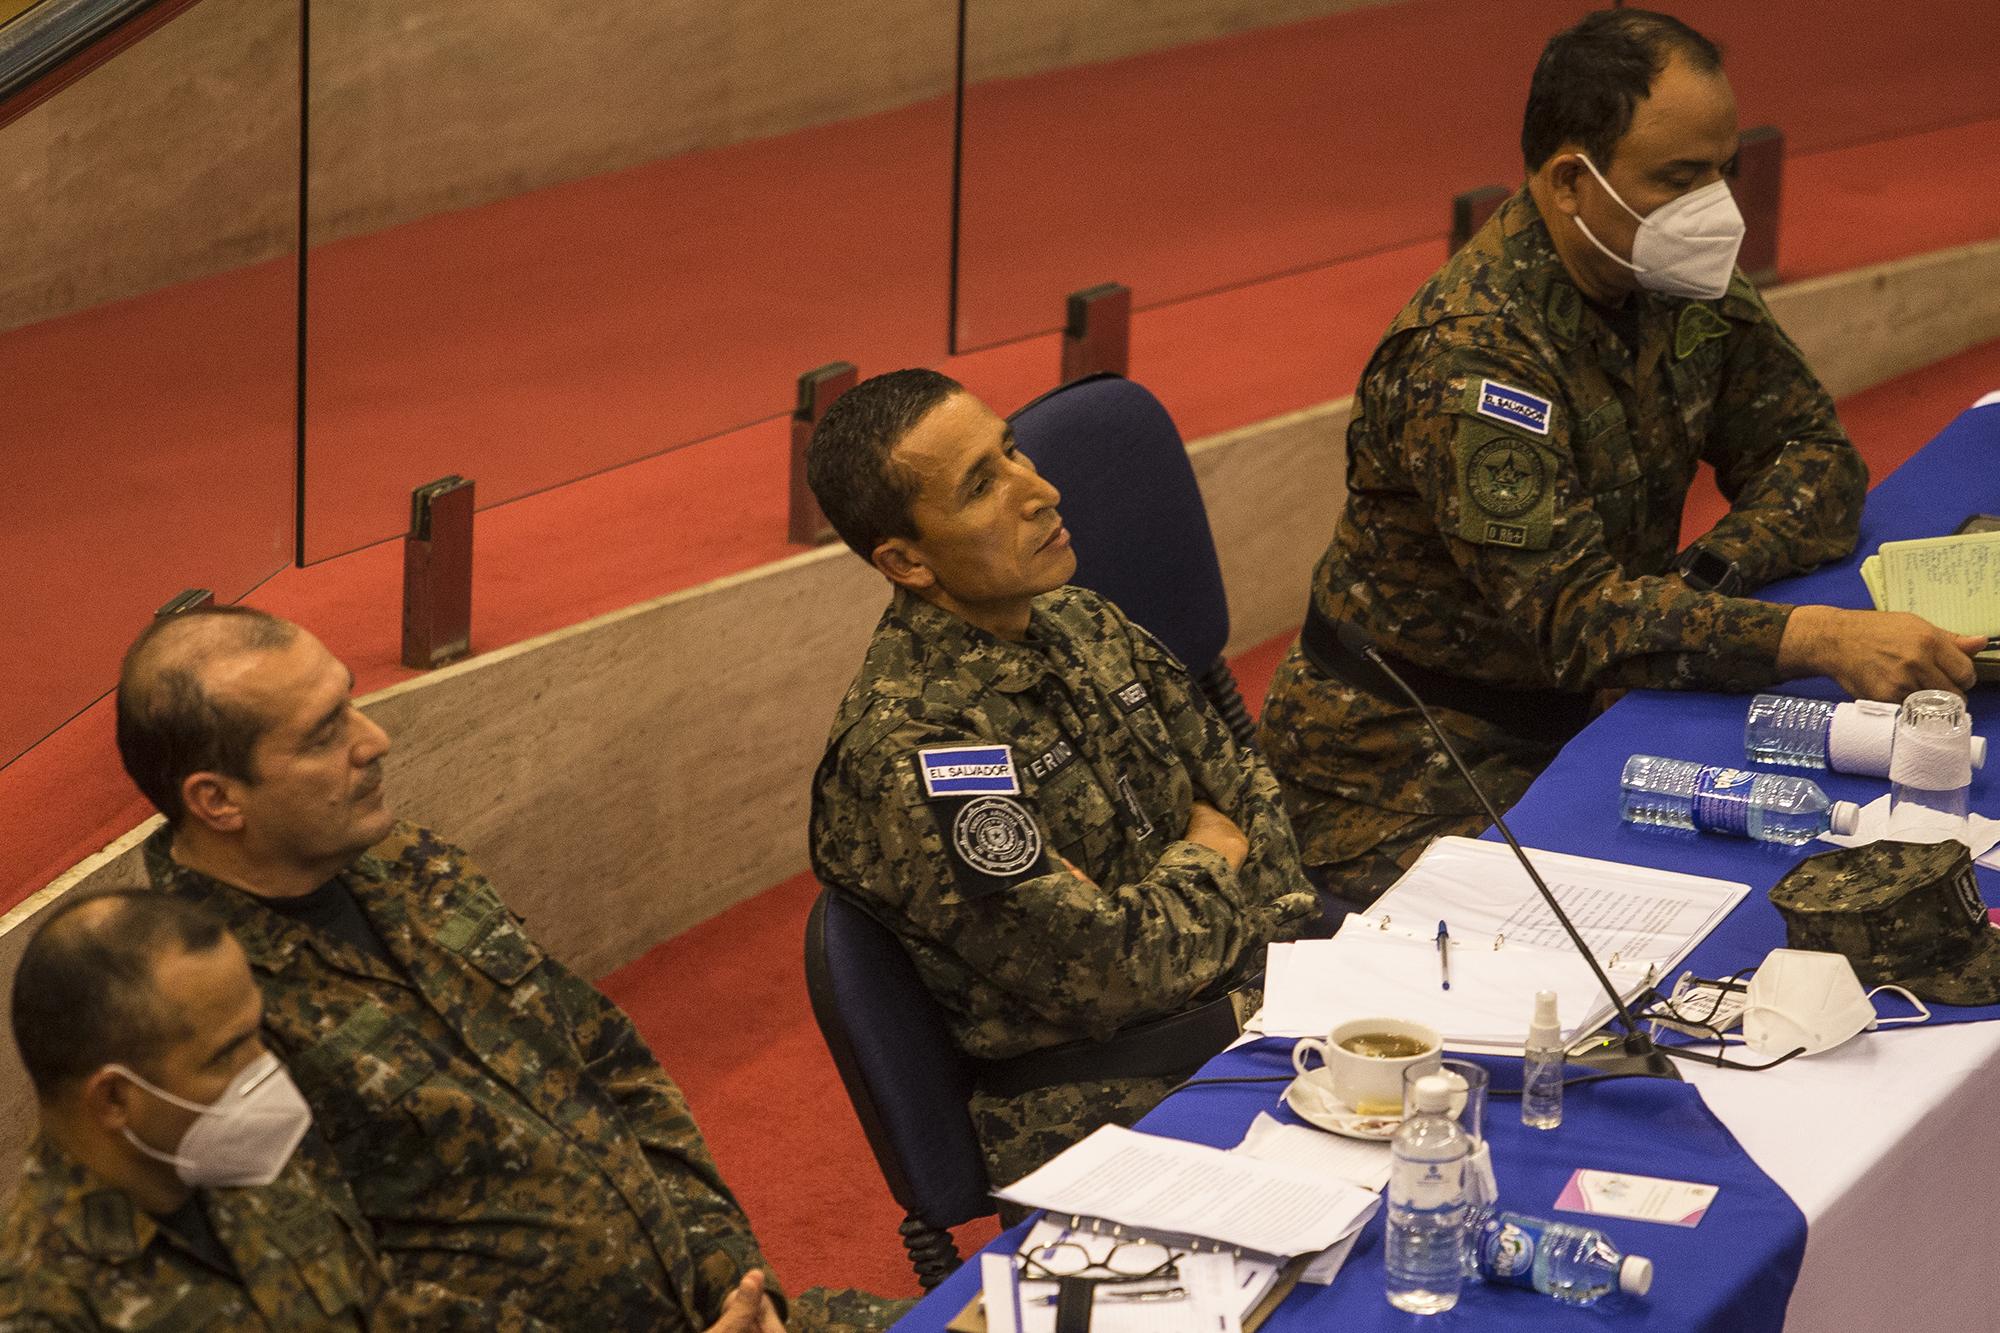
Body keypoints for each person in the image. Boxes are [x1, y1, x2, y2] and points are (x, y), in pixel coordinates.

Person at [1258, 7, 1987, 909]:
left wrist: (1708, 576)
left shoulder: (1669, 274)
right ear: (1572, 178)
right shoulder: (1475, 354)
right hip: (1411, 768)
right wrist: (1813, 637)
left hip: (1598, 709)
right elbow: (1579, 621)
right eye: (1681, 178)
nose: (1714, 207)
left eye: (1724, 171)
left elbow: (1814, 460)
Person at [112, 606, 908, 1333]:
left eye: (351, 700)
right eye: (324, 734)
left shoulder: (407, 865)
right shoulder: (191, 1017)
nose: (374, 738)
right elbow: (325, 1294)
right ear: (217, 800)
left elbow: (614, 1067)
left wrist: (735, 1282)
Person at [807, 369, 1321, 1188]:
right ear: (906, 561)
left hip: (1267, 1020)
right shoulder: (916, 749)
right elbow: (1110, 973)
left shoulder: (1084, 620)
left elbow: (1251, 801)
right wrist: (1204, 854)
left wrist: (1195, 896)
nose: (1041, 490)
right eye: (983, 486)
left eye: (1013, 451)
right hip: (1113, 1118)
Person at [0, 888, 393, 1329]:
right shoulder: (41, 1307)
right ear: (114, 1099)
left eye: (256, 1034)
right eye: (226, 1055)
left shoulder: (242, 1155)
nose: (265, 1069)